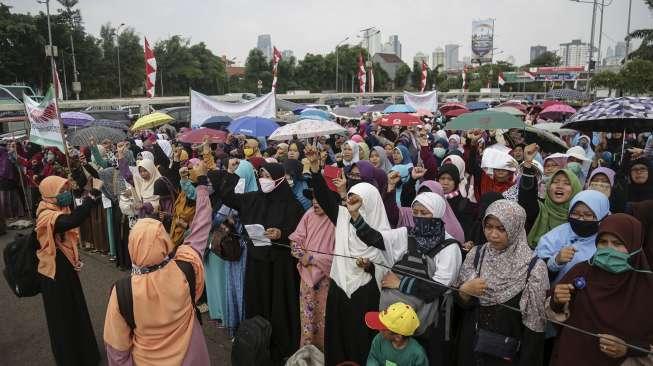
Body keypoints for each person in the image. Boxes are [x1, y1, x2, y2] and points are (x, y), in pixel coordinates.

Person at [103, 168, 212, 365]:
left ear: (132, 246)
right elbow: (201, 227)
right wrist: (202, 187)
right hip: (192, 356)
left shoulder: (122, 292)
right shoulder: (186, 267)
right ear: (164, 241)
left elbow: (117, 349)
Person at [356, 192, 462, 365]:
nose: (419, 217)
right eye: (416, 213)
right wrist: (355, 215)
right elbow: (376, 239)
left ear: (437, 214)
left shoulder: (449, 247)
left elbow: (437, 288)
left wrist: (400, 283)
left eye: (425, 213)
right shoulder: (407, 234)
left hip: (428, 323)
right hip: (394, 322)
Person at [216, 160, 304, 363]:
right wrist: (230, 173)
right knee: (258, 301)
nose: (263, 179)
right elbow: (228, 197)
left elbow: (300, 234)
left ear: (279, 179)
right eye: (260, 175)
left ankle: (279, 345)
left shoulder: (292, 205)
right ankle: (257, 340)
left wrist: (281, 234)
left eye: (267, 175)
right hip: (257, 262)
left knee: (278, 305)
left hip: (280, 267)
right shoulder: (254, 198)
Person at [548, 214, 653, 366]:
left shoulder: (647, 287)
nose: (609, 249)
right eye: (603, 242)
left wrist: (629, 349)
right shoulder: (582, 271)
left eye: (617, 243)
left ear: (634, 245)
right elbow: (554, 315)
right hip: (571, 356)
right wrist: (557, 301)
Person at [455, 199, 549, 366]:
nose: (493, 235)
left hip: (508, 353)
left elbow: (534, 328)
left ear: (516, 227)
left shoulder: (533, 268)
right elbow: (462, 307)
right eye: (489, 226)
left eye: (501, 228)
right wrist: (464, 292)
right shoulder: (477, 255)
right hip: (472, 346)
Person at [35, 175, 102, 366]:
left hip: (65, 269)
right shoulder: (46, 215)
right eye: (61, 192)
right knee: (63, 318)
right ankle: (71, 359)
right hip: (54, 273)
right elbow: (73, 220)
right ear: (49, 194)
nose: (66, 194)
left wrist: (90, 198)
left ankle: (85, 354)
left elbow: (75, 215)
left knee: (75, 311)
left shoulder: (56, 209)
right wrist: (93, 194)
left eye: (66, 190)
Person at [289, 191, 336, 351]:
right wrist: (301, 254)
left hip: (327, 279)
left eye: (320, 198)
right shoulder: (309, 214)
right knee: (308, 320)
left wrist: (314, 259)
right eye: (314, 199)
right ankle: (307, 355)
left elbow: (340, 254)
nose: (315, 202)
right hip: (307, 276)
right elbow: (296, 239)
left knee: (325, 319)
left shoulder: (337, 219)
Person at [535, 190, 611, 283]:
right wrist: (556, 261)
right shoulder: (558, 234)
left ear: (602, 216)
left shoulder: (607, 240)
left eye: (588, 215)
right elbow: (536, 270)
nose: (580, 219)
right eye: (575, 213)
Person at [365, 302, 429, 366]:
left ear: (398, 337)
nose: (379, 330)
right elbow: (373, 359)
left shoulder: (417, 354)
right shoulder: (378, 340)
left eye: (383, 329)